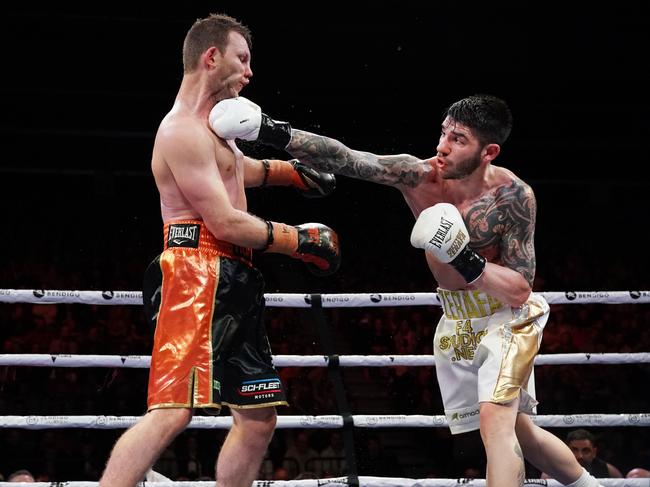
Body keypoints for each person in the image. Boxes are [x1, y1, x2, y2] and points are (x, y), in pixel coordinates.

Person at [210, 94, 605, 487]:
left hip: (507, 316)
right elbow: (349, 158)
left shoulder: (513, 197)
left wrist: (463, 258)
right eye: (443, 133)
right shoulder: (417, 177)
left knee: (495, 421)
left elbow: (520, 290)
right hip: (458, 317)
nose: (441, 147)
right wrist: (271, 132)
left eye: (458, 140)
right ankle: (590, 485)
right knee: (519, 431)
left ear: (489, 151)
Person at [98, 14, 340, 487]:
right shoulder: (180, 130)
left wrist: (291, 172)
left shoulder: (214, 126)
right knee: (172, 411)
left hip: (233, 275)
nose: (249, 72)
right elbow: (225, 220)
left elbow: (234, 169)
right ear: (212, 57)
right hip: (197, 272)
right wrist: (300, 239)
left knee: (257, 418)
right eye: (242, 59)